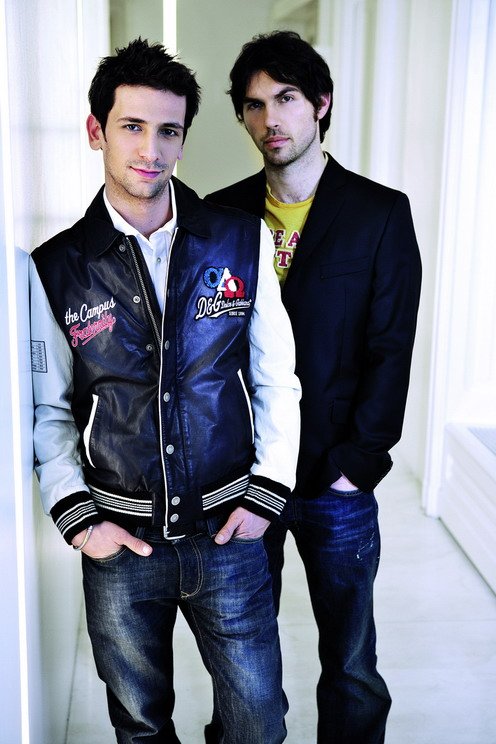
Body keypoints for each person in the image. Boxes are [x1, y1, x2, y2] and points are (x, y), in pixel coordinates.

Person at [30, 38, 301, 744]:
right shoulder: (56, 268)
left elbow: (275, 376)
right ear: (97, 131)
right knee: (142, 726)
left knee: (258, 723)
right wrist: (80, 520)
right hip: (120, 542)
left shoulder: (238, 239)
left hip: (229, 529)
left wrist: (268, 491)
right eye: (132, 126)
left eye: (169, 131)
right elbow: (50, 409)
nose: (151, 150)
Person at [205, 30, 422, 744]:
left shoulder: (379, 214)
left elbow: (391, 348)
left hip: (335, 476)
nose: (271, 119)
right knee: (242, 661)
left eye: (287, 98)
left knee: (351, 663)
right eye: (255, 104)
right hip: (242, 476)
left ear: (321, 104)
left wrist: (359, 464)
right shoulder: (220, 216)